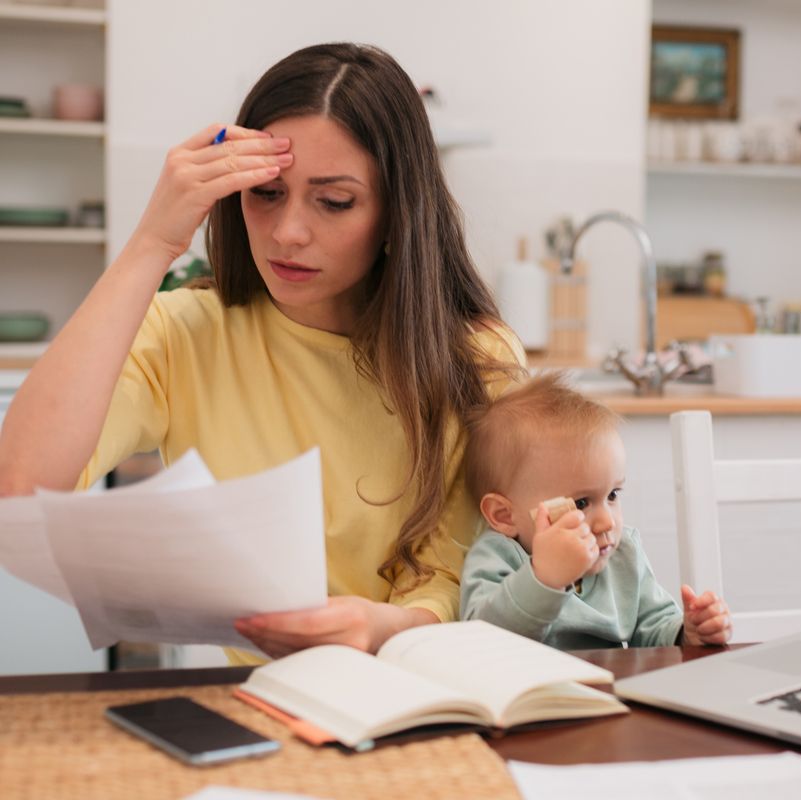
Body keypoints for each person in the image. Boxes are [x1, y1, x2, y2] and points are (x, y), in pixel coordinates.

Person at [0, 43, 524, 662]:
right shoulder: (185, 333)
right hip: (260, 698)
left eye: (335, 202)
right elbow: (22, 490)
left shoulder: (477, 358)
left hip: (434, 687)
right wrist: (151, 243)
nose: (287, 233)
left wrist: (383, 628)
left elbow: (477, 579)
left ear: (397, 216)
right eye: (266, 193)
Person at [459, 373, 732, 649]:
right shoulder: (495, 557)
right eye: (581, 503)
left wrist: (687, 633)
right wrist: (544, 578)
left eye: (613, 495)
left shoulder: (623, 553)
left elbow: (655, 625)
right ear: (504, 515)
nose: (606, 522)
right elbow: (481, 640)